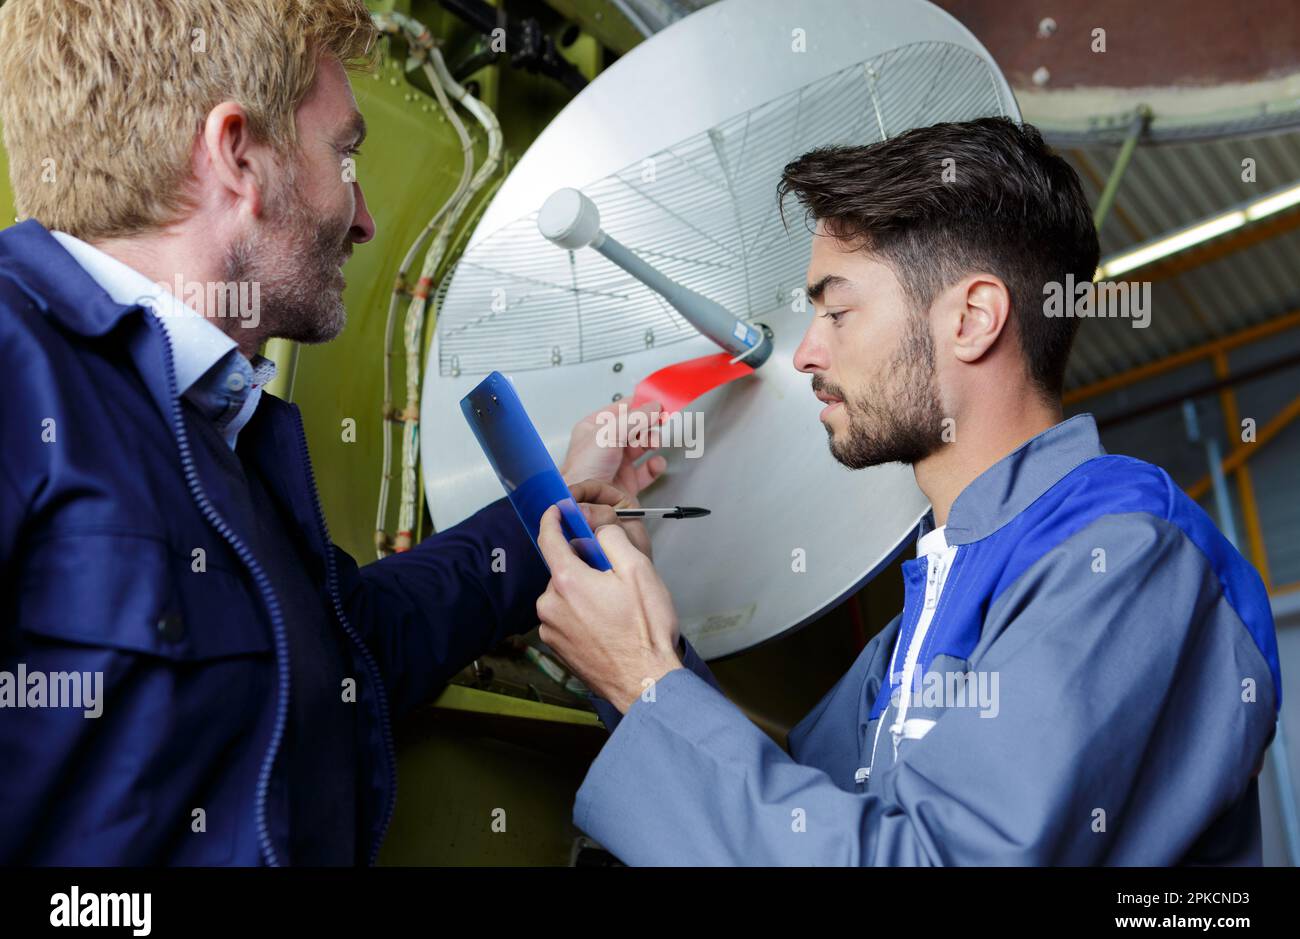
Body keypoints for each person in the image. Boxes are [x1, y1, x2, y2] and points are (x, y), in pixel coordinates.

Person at [0, 0, 661, 865]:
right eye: (344, 155)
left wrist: (549, 509)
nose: (364, 220)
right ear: (237, 154)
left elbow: (354, 645)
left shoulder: (218, 421)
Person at [534, 117, 1282, 865]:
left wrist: (646, 683)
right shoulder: (923, 620)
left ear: (972, 318)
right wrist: (629, 621)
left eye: (836, 310)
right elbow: (805, 813)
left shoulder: (1125, 559)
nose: (806, 354)